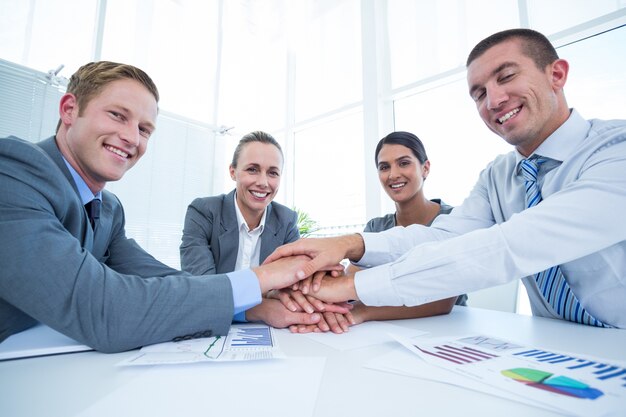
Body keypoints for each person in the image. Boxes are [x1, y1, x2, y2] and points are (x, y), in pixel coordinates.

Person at [264, 28, 626, 329]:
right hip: (556, 346)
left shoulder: (615, 150)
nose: (494, 100)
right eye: (479, 93)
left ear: (557, 74)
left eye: (507, 76)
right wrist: (348, 244)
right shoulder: (498, 175)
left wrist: (351, 287)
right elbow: (444, 236)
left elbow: (508, 247)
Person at [0, 61, 323, 353]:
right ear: (69, 109)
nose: (130, 137)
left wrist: (250, 309)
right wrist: (261, 278)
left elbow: (160, 277)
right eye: (117, 115)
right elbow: (105, 310)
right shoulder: (13, 170)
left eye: (144, 129)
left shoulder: (108, 208)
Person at [280, 131, 465, 333]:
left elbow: (443, 298)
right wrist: (310, 293)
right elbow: (348, 284)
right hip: (387, 331)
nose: (393, 174)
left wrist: (362, 312)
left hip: (448, 329)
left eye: (404, 163)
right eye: (384, 167)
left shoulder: (453, 220)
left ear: (425, 168)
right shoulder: (376, 228)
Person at [179, 131, 348, 331]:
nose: (263, 182)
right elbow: (203, 291)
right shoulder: (204, 212)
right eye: (252, 169)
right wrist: (260, 308)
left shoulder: (286, 221)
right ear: (233, 172)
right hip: (209, 329)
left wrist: (322, 304)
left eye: (273, 173)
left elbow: (296, 287)